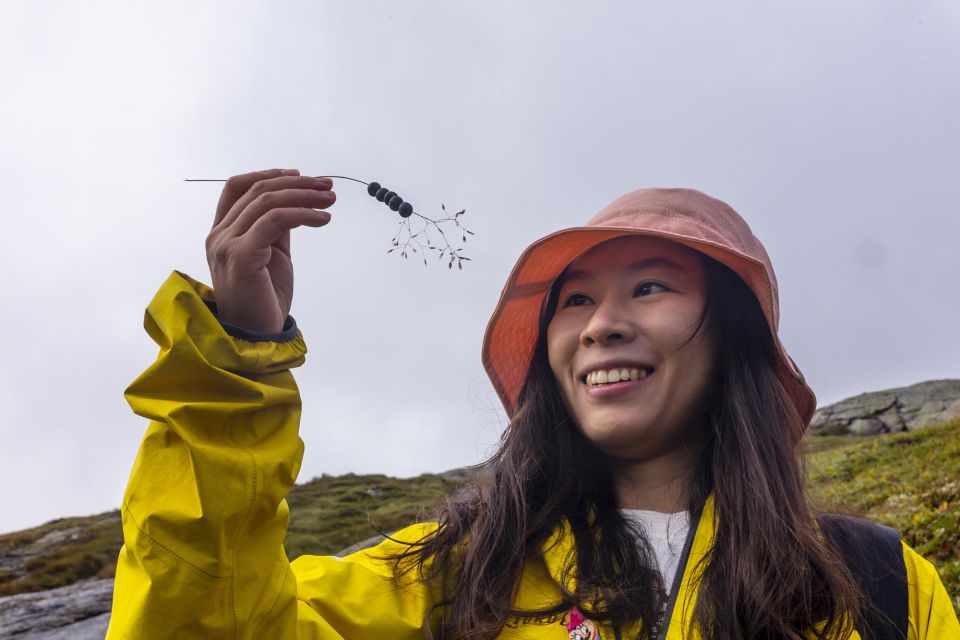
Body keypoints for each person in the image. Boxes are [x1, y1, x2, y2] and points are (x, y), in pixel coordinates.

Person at [106, 168, 959, 639]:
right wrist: (239, 359)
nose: (601, 327)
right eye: (575, 302)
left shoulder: (877, 590)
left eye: (651, 287)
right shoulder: (450, 573)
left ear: (733, 336)